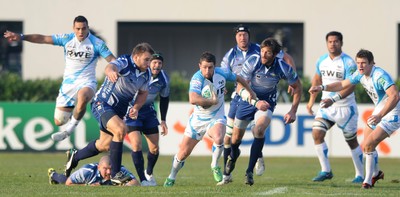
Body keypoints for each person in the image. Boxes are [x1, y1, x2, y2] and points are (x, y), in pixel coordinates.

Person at [163, 51, 268, 187]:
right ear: (199, 66)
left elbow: (239, 78)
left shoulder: (222, 72)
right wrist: (210, 101)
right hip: (198, 120)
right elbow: (192, 98)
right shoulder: (197, 78)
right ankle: (172, 176)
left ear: (214, 66)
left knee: (219, 138)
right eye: (204, 67)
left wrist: (251, 91)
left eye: (210, 67)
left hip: (216, 116)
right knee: (183, 153)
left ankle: (214, 165)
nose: (207, 70)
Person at [3, 15, 116, 141]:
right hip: (68, 85)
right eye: (78, 29)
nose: (80, 32)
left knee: (83, 96)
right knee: (59, 121)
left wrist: (114, 68)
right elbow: (43, 38)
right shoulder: (66, 39)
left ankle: (69, 130)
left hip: (87, 82)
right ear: (73, 28)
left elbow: (112, 60)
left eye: (83, 28)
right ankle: (75, 110)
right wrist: (21, 37)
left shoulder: (97, 43)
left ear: (87, 28)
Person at [62, 43, 154, 185]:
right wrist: (111, 71)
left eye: (150, 60)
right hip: (103, 104)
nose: (149, 63)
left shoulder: (147, 74)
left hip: (118, 111)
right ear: (136, 57)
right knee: (120, 129)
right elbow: (111, 66)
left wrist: (136, 107)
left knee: (104, 145)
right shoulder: (125, 61)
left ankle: (75, 156)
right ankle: (116, 173)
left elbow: (143, 93)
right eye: (146, 59)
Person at [309, 49, 400, 189]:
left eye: (364, 63)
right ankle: (376, 172)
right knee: (367, 146)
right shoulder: (360, 74)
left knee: (368, 144)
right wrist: (322, 87)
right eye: (358, 63)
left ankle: (367, 181)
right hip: (380, 110)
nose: (360, 66)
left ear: (372, 63)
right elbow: (342, 84)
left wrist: (380, 115)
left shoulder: (380, 75)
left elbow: (394, 96)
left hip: (393, 112)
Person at [220, 38, 302, 186]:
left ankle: (249, 171)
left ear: (275, 54)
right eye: (262, 51)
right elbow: (240, 87)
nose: (263, 55)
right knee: (235, 139)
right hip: (248, 99)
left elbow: (297, 87)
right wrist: (255, 102)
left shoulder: (283, 67)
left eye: (268, 53)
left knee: (259, 130)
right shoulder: (252, 61)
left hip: (267, 102)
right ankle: (234, 153)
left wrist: (293, 111)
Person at [306, 31, 364, 183]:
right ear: (327, 43)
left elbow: (351, 85)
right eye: (330, 41)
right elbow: (317, 79)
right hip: (326, 106)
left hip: (345, 108)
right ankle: (326, 170)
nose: (333, 44)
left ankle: (360, 175)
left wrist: (336, 98)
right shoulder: (321, 60)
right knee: (317, 133)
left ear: (341, 43)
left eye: (336, 41)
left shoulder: (349, 63)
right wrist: (312, 101)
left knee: (351, 141)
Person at [125, 53, 169, 186]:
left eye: (159, 63)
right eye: (154, 62)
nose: (157, 65)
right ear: (149, 63)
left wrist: (163, 120)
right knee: (136, 145)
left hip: (149, 112)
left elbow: (164, 99)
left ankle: (148, 173)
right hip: (132, 111)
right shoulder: (142, 74)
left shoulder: (164, 79)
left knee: (154, 148)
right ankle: (143, 179)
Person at [48, 155, 140, 186]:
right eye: (105, 169)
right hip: (85, 180)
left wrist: (126, 185)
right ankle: (53, 174)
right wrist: (87, 186)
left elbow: (136, 182)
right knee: (65, 180)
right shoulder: (87, 171)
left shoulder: (119, 170)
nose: (108, 172)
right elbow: (69, 183)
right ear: (99, 167)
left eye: (110, 169)